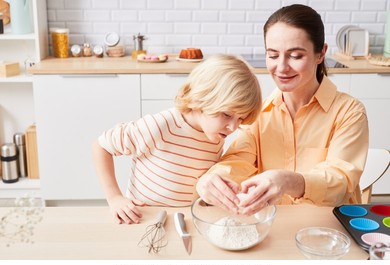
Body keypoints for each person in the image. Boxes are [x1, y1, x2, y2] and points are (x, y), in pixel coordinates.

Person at [196, 4, 369, 215]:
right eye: (273, 55)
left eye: (295, 56)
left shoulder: (349, 112)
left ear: (320, 54)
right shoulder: (260, 112)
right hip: (274, 229)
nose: (281, 67)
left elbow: (341, 180)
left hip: (330, 229)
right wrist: (213, 178)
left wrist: (290, 181)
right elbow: (238, 158)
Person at [92, 54, 262, 224]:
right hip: (143, 218)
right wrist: (114, 198)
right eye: (226, 114)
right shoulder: (159, 126)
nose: (233, 127)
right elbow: (101, 146)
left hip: (183, 219)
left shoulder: (215, 134)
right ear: (201, 98)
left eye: (240, 118)